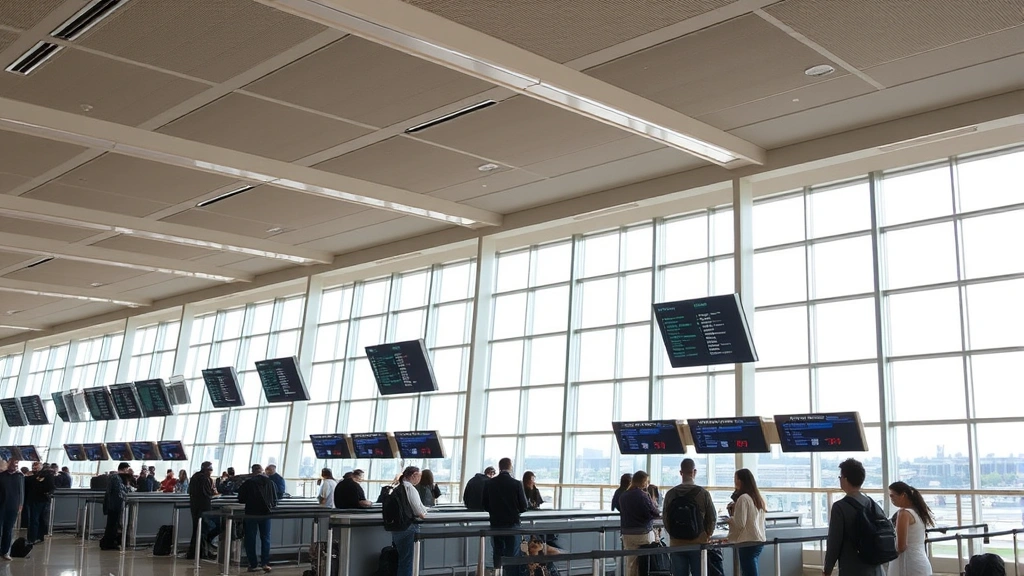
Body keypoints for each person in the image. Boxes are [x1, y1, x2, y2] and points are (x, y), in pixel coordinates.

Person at [823, 459, 886, 576]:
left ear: (845, 479)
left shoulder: (840, 507)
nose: (840, 480)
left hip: (852, 568)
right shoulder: (873, 503)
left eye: (840, 477)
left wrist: (827, 570)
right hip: (876, 569)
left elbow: (834, 542)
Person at [663, 458, 721, 576]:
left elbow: (665, 519)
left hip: (676, 543)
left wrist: (674, 534)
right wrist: (706, 534)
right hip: (698, 543)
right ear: (694, 472)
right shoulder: (703, 493)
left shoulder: (670, 494)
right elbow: (712, 517)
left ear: (681, 473)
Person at [482, 458, 529, 576]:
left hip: (496, 523)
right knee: (512, 554)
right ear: (510, 467)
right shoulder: (516, 483)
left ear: (499, 467)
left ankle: (498, 573)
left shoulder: (489, 483)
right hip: (512, 523)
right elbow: (524, 506)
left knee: (497, 552)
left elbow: (485, 504)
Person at [237, 464, 278, 573]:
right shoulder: (270, 482)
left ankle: (253, 563)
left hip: (251, 513)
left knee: (250, 538)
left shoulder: (248, 483)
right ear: (262, 471)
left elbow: (241, 499)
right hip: (266, 514)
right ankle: (265, 563)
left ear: (253, 471)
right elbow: (275, 500)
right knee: (266, 538)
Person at [619, 471, 661, 576]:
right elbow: (653, 512)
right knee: (645, 564)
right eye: (646, 481)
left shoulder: (623, 496)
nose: (647, 484)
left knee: (631, 564)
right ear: (643, 482)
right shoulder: (643, 495)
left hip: (627, 534)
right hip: (643, 534)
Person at [888, 481, 935, 576]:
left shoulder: (903, 513)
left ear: (903, 495)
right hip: (920, 561)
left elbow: (901, 546)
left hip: (908, 562)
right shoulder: (917, 513)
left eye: (892, 496)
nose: (891, 499)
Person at [728, 469, 767, 576]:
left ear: (740, 481)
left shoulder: (743, 498)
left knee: (748, 572)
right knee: (751, 569)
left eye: (735, 479)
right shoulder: (757, 498)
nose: (734, 482)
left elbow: (740, 523)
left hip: (747, 541)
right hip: (758, 540)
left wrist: (730, 519)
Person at [392, 466, 429, 576]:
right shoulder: (410, 489)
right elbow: (419, 512)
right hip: (409, 528)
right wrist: (425, 513)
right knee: (408, 561)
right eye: (419, 476)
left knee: (403, 559)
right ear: (414, 475)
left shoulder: (399, 488)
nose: (420, 479)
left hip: (398, 527)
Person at [188, 462, 219, 560]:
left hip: (194, 506)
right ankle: (204, 552)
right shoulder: (205, 479)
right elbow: (208, 494)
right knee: (205, 529)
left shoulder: (194, 477)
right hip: (204, 507)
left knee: (197, 529)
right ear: (207, 470)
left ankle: (195, 552)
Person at [100, 462, 131, 551]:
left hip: (112, 504)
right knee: (113, 524)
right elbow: (120, 490)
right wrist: (128, 487)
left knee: (111, 524)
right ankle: (109, 543)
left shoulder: (113, 477)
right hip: (115, 504)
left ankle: (107, 542)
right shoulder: (116, 478)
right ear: (124, 468)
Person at [25, 462, 55, 543]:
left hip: (37, 500)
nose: (34, 470)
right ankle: (39, 536)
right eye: (33, 468)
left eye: (36, 468)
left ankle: (32, 538)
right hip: (42, 499)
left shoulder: (38, 477)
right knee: (40, 519)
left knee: (34, 519)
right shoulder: (48, 476)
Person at [0, 459, 23, 560]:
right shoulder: (1, 475)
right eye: (13, 463)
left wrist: (20, 504)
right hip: (1, 505)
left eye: (16, 464)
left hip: (13, 506)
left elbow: (22, 491)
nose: (14, 465)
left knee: (8, 529)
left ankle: (5, 552)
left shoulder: (19, 476)